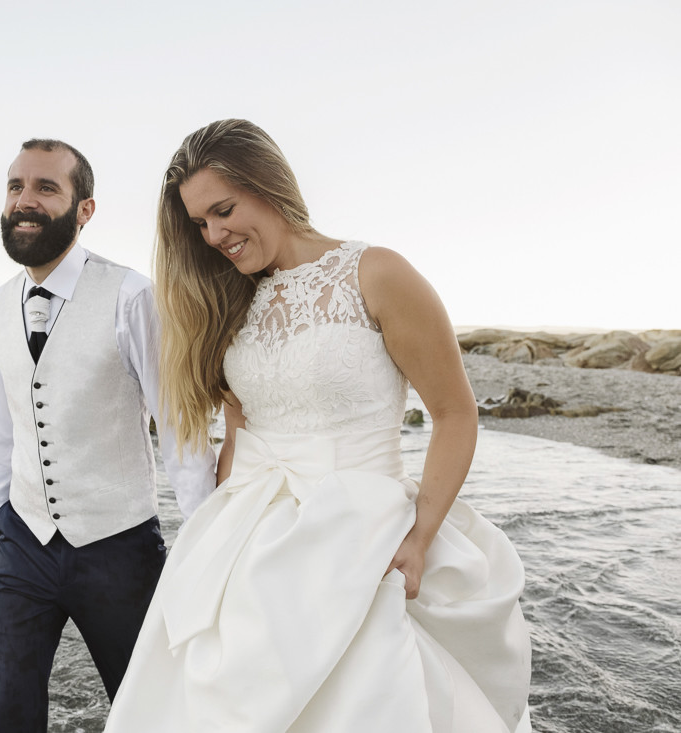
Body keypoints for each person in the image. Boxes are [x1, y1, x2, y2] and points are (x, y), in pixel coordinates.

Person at [105, 120, 532, 732]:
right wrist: (210, 544)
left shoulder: (377, 273)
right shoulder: (230, 303)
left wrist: (418, 540)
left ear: (268, 183)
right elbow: (237, 435)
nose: (214, 235)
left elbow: (455, 415)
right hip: (251, 542)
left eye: (223, 211)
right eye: (200, 224)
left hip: (364, 533)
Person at [0, 138, 217, 732]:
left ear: (84, 209)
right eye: (16, 186)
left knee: (148, 711)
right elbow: (4, 425)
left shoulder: (131, 295)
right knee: (10, 716)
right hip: (22, 545)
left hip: (118, 549)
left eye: (45, 188)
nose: (25, 201)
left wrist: (209, 539)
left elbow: (179, 425)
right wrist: (1, 515)